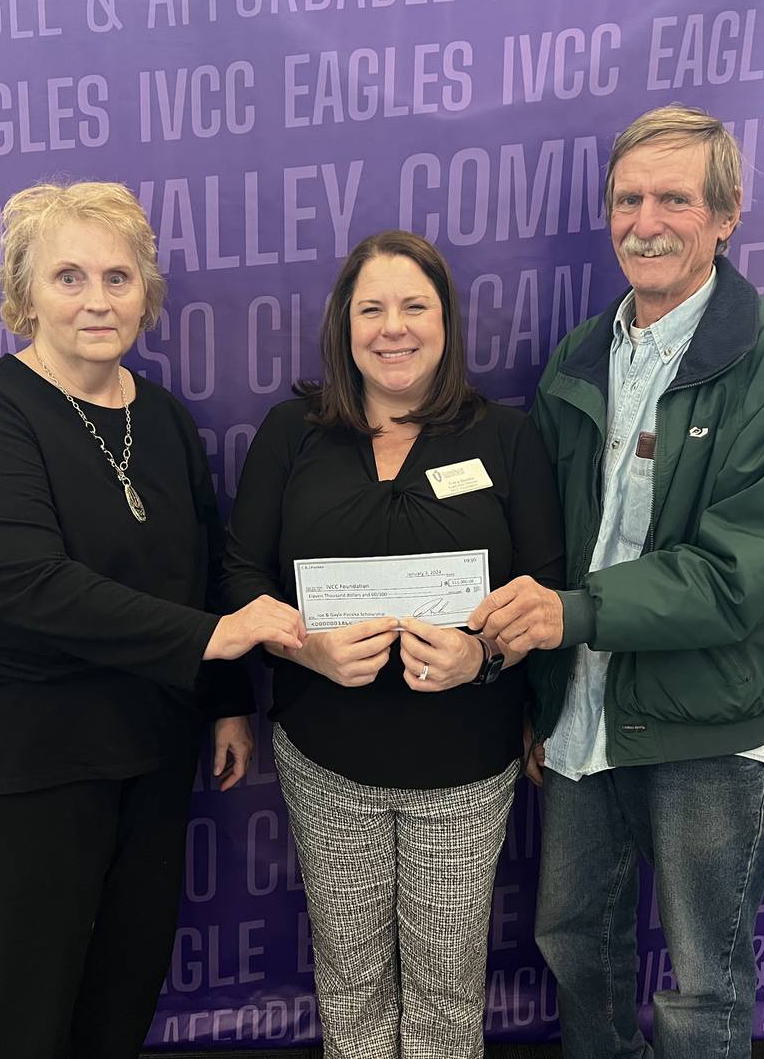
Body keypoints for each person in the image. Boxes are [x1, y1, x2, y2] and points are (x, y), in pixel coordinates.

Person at [0, 181, 303, 1059]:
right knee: (18, 1025)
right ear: (22, 296)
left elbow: (200, 565)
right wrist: (211, 642)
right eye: (67, 277)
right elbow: (28, 584)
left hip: (141, 755)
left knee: (119, 1003)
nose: (97, 300)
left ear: (146, 295)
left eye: (118, 277)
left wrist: (224, 696)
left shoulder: (162, 420)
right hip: (6, 764)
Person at [469, 105, 764, 1059]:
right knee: (572, 950)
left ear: (727, 216)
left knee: (703, 987)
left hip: (705, 726)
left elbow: (740, 574)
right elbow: (544, 543)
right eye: (629, 198)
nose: (647, 220)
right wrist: (537, 686)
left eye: (675, 198)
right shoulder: (579, 355)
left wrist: (573, 615)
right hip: (580, 715)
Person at [223, 230, 565, 1058]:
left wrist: (481, 655)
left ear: (446, 322)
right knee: (350, 980)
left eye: (415, 306)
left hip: (464, 765)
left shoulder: (506, 438)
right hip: (326, 758)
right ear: (345, 326)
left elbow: (547, 596)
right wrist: (305, 650)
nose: (393, 328)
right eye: (371, 308)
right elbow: (239, 576)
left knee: (449, 990)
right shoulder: (292, 433)